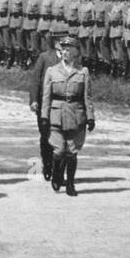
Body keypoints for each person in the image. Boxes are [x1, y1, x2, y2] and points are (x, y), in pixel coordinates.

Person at [41, 34, 95, 196]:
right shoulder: (52, 71)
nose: (64, 52)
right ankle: (57, 175)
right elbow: (46, 96)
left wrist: (90, 116)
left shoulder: (83, 72)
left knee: (72, 151)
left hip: (75, 115)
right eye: (63, 49)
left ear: (76, 52)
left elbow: (88, 96)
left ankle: (70, 184)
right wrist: (44, 116)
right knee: (58, 150)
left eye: (68, 49)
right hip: (56, 115)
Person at [28, 37, 56, 180]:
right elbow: (35, 80)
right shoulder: (44, 57)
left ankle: (58, 170)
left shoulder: (73, 59)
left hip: (62, 105)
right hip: (44, 104)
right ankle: (47, 165)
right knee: (46, 136)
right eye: (57, 39)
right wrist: (33, 100)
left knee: (62, 138)